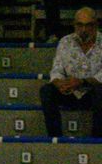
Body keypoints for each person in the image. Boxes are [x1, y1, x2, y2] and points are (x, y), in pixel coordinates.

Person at [40, 8, 102, 139]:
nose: (84, 30)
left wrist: (82, 81)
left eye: (88, 25)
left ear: (96, 25)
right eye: (80, 25)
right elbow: (57, 69)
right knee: (46, 91)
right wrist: (59, 83)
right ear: (74, 25)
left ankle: (97, 140)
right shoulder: (65, 42)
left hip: (93, 93)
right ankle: (55, 138)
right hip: (70, 91)